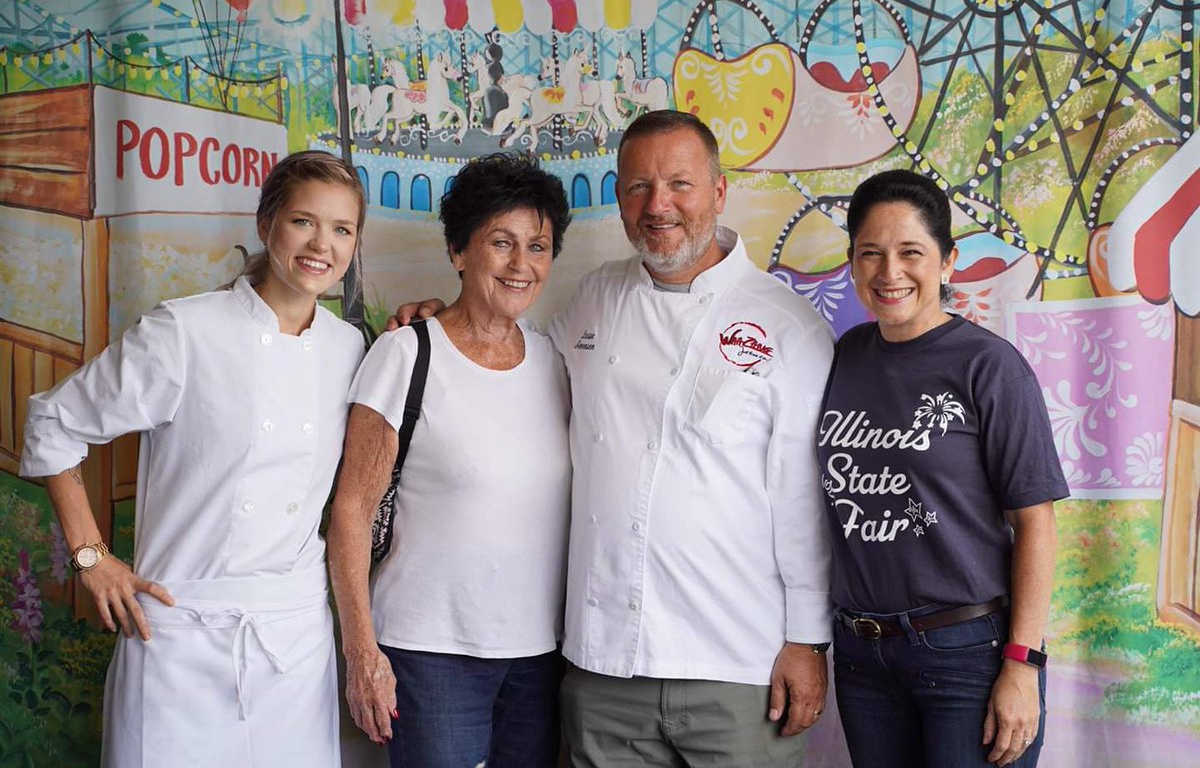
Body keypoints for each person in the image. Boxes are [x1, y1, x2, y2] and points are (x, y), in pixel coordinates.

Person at [396, 111, 836, 766]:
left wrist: (807, 639)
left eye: (680, 185)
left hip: (737, 664)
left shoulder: (787, 326)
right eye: (637, 187)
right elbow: (507, 351)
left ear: (719, 192)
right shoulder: (593, 299)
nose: (658, 205)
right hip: (602, 670)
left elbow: (802, 500)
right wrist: (448, 316)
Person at [19, 150, 367, 767]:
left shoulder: (349, 347)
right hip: (178, 635)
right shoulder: (185, 332)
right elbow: (53, 420)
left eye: (342, 229)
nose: (322, 245)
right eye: (303, 222)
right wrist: (91, 556)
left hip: (293, 643)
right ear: (266, 225)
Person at [327, 152, 573, 768]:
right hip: (429, 654)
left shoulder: (558, 363)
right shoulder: (407, 354)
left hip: (539, 657)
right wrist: (362, 654)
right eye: (501, 243)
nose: (522, 265)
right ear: (459, 251)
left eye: (538, 246)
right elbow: (351, 511)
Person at [819, 169, 1066, 767]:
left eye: (910, 253)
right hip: (862, 656)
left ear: (948, 262)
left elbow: (1036, 524)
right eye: (870, 254)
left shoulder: (989, 367)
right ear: (851, 263)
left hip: (966, 655)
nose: (889, 272)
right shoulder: (841, 357)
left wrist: (1021, 664)